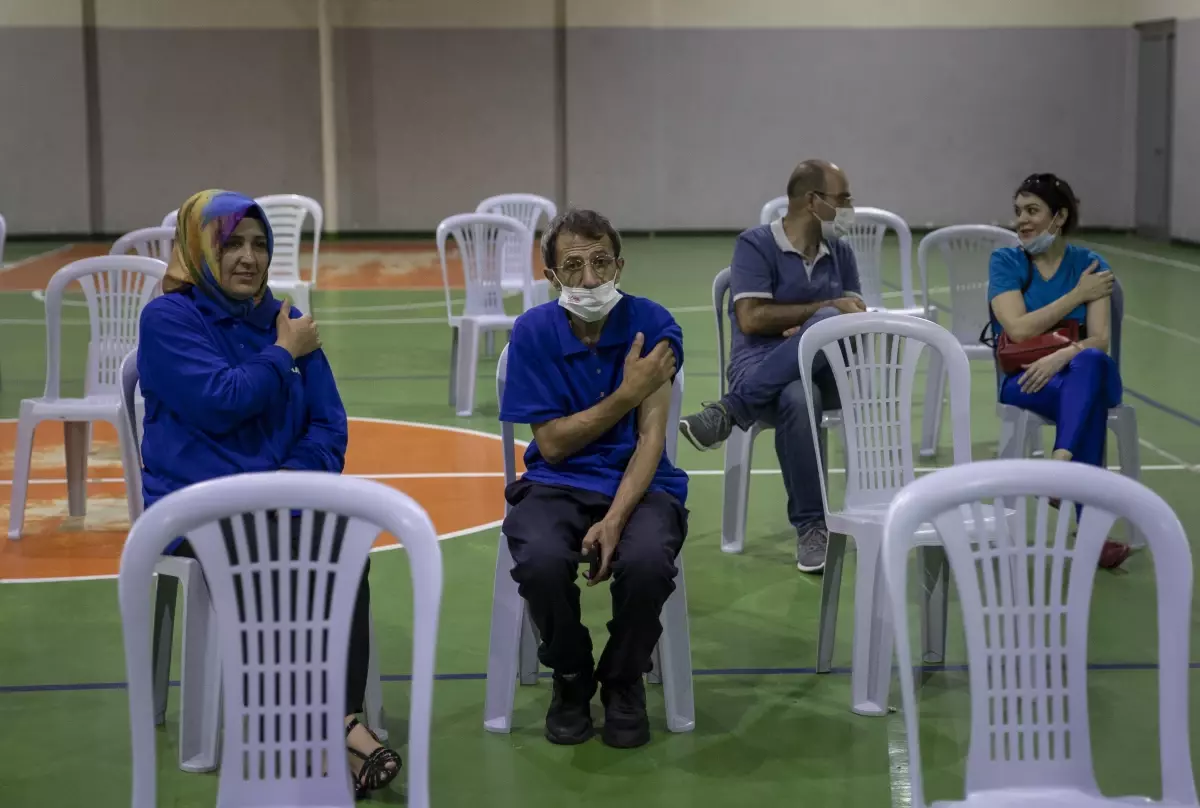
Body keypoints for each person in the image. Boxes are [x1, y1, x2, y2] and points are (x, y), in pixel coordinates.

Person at [137, 189, 402, 797]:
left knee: (343, 548)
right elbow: (221, 400)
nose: (249, 258)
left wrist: (288, 482)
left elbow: (329, 424)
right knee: (284, 560)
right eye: (231, 243)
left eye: (259, 244)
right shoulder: (171, 320)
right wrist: (284, 352)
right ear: (199, 249)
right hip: (197, 506)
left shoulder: (282, 316)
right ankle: (329, 733)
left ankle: (335, 722)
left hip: (277, 504)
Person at [500, 208, 688, 749]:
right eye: (573, 266)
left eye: (601, 262)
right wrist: (627, 394)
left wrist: (614, 520)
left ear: (619, 266)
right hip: (556, 480)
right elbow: (554, 444)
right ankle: (571, 673)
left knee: (648, 561)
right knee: (539, 558)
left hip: (642, 483)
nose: (589, 279)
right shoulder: (532, 332)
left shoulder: (653, 323)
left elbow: (651, 439)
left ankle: (623, 680)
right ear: (550, 276)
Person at [679, 159, 865, 573]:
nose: (850, 208)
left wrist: (813, 325)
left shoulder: (841, 251)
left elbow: (854, 316)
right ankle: (812, 527)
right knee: (798, 393)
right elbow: (750, 319)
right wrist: (820, 315)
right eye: (843, 199)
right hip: (759, 363)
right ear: (813, 201)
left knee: (827, 323)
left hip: (829, 369)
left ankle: (730, 411)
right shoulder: (756, 244)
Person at [987, 173, 1130, 569]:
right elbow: (1018, 329)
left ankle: (1059, 468)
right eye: (1018, 211)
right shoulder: (1006, 262)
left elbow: (1100, 339)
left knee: (1091, 363)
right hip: (1025, 380)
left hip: (1079, 370)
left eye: (1033, 210)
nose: (1022, 220)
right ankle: (1091, 532)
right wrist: (1077, 296)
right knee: (1089, 403)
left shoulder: (1091, 265)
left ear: (1060, 216)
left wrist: (1061, 356)